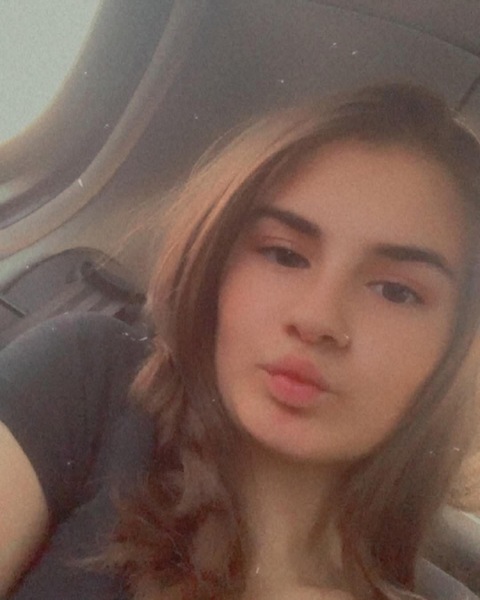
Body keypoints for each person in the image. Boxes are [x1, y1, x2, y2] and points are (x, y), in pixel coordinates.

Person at [1, 83, 480, 600]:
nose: (316, 318)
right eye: (284, 255)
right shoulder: (93, 384)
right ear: (217, 262)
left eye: (395, 291)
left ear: (457, 349)